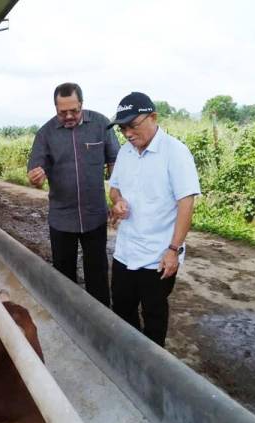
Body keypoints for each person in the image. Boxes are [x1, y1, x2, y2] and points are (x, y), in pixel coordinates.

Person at [107, 92, 200, 347]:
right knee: (123, 306)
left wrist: (173, 249)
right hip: (126, 251)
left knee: (154, 313)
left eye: (133, 125)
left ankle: (153, 365)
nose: (127, 133)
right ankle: (132, 352)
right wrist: (117, 201)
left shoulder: (175, 153)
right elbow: (114, 188)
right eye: (122, 128)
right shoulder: (125, 153)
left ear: (153, 118)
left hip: (158, 257)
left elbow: (186, 203)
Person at [27, 82, 120, 307]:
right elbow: (35, 172)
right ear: (55, 108)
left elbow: (115, 161)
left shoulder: (101, 125)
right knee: (63, 276)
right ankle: (69, 319)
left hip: (95, 216)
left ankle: (99, 321)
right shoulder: (45, 133)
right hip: (61, 219)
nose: (69, 116)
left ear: (82, 104)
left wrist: (118, 196)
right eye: (62, 112)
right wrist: (36, 178)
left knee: (97, 274)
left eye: (74, 111)